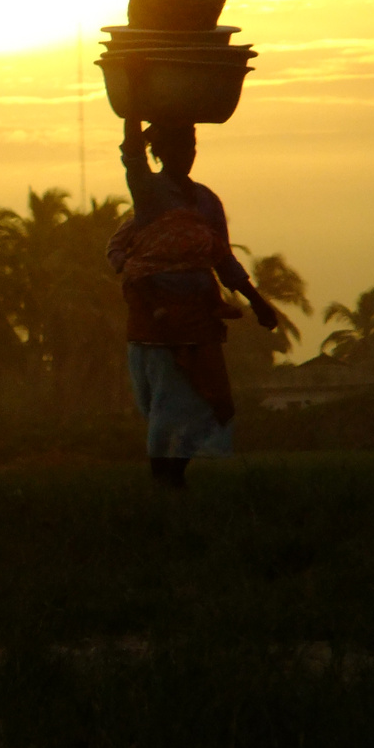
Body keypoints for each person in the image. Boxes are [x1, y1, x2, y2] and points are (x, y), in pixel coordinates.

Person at [107, 119, 277, 488]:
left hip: (199, 313)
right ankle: (163, 481)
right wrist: (132, 104)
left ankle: (176, 476)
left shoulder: (206, 200)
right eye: (179, 147)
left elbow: (223, 259)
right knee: (168, 401)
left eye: (192, 146)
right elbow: (132, 155)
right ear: (160, 152)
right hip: (158, 314)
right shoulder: (148, 193)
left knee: (208, 397)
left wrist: (257, 302)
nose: (188, 154)